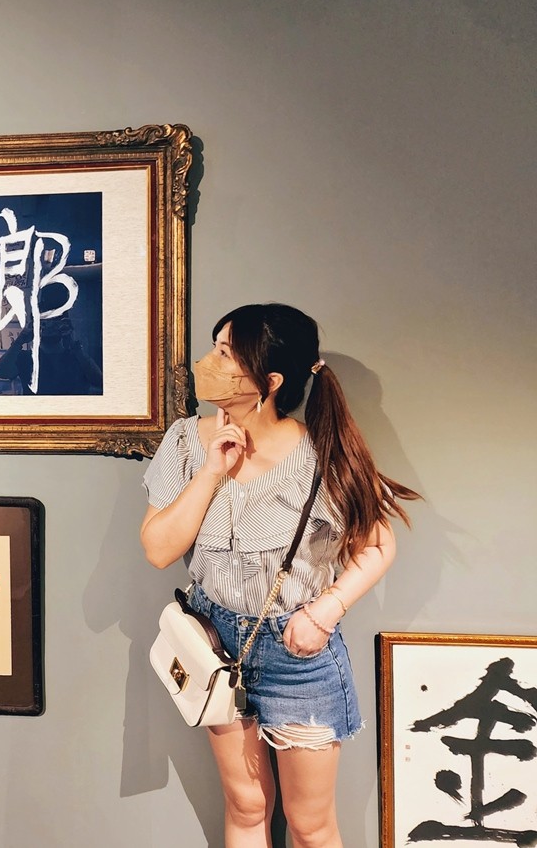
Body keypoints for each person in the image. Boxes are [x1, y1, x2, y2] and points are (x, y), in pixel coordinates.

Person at [140, 303, 419, 848]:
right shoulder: (185, 441)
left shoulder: (326, 452)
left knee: (310, 823)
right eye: (214, 346)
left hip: (300, 656)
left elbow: (378, 545)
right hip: (217, 644)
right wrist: (212, 471)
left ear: (269, 381)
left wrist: (327, 609)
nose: (207, 362)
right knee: (246, 806)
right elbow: (157, 549)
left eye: (225, 353)